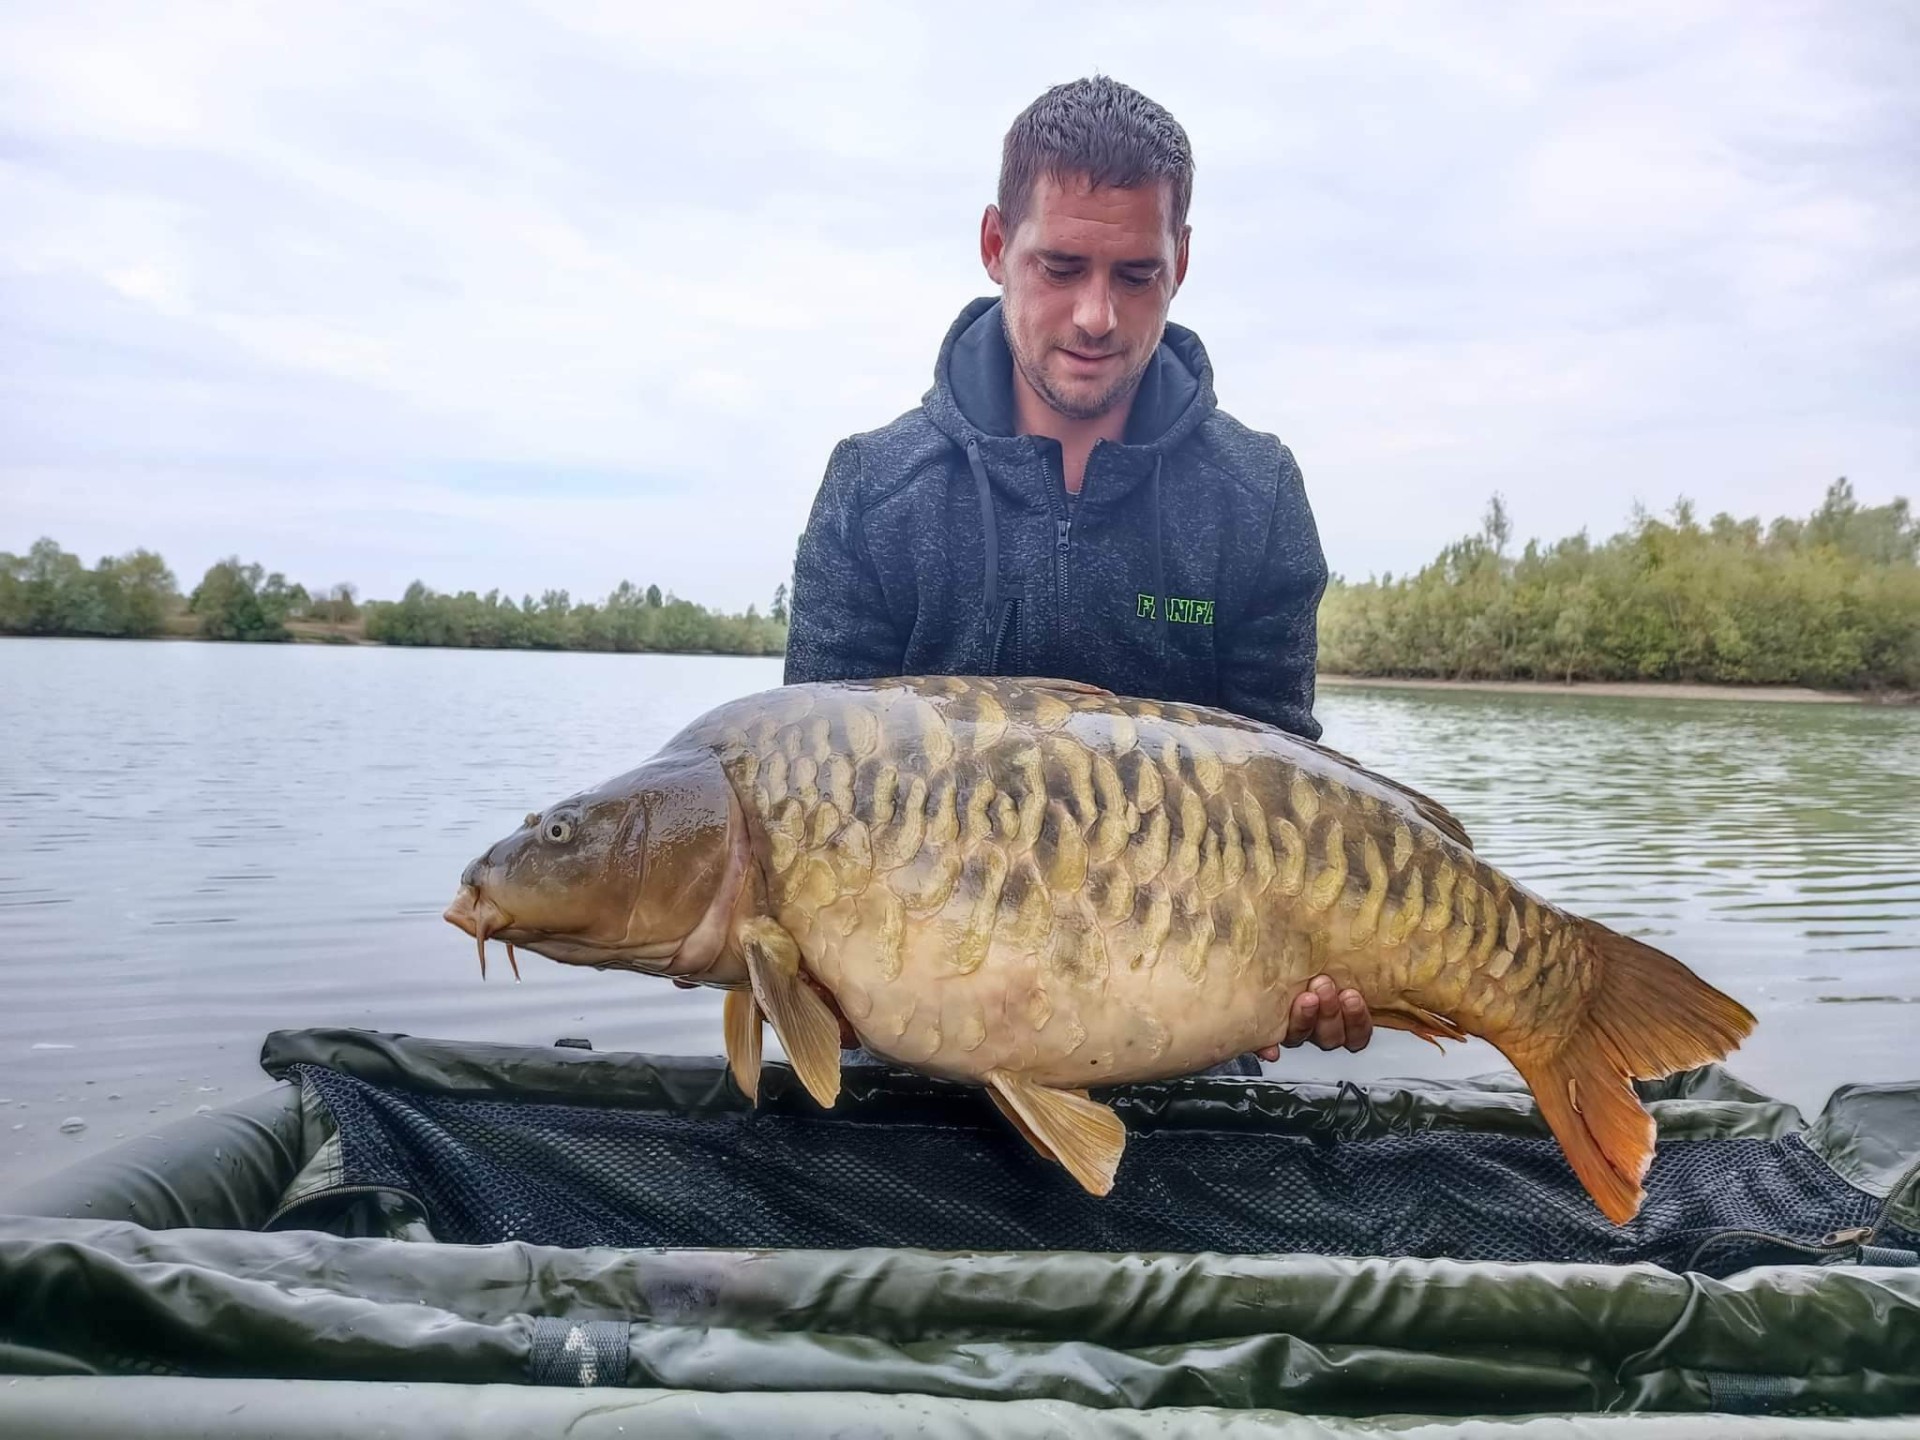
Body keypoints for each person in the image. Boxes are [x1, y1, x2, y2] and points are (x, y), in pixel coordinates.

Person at [785, 75, 1371, 1063]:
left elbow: (1282, 787)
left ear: (1180, 263)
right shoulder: (874, 490)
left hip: (1178, 1034)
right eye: (1060, 267)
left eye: (1135, 274)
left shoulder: (1254, 495)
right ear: (992, 248)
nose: (1096, 315)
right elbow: (810, 796)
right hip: (919, 1042)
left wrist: (1318, 973)